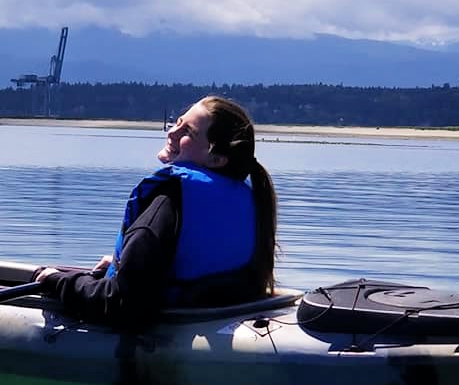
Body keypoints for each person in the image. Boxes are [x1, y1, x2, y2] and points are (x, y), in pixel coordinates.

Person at [35, 95, 278, 327]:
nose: (172, 132)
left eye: (188, 133)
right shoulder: (248, 197)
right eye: (178, 122)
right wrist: (126, 263)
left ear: (216, 159)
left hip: (170, 322)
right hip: (213, 313)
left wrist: (58, 281)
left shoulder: (169, 199)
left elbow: (121, 303)